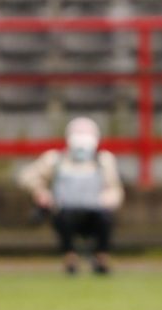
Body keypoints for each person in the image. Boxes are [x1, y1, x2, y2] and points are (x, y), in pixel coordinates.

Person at [18, 117, 124, 275]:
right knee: (63, 217)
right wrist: (40, 192)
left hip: (95, 213)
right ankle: (70, 258)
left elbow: (115, 189)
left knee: (105, 218)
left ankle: (101, 258)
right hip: (66, 213)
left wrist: (109, 199)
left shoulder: (104, 160)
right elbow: (26, 176)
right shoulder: (55, 159)